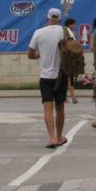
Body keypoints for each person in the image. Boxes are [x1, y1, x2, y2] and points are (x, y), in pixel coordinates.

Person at [27, 8, 71, 149]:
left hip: (45, 77)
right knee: (60, 108)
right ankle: (59, 137)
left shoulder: (38, 33)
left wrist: (40, 55)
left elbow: (30, 54)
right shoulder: (66, 31)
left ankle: (51, 138)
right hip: (61, 76)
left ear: (47, 18)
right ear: (59, 18)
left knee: (47, 107)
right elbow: (74, 49)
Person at [64, 17, 80, 104]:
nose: (74, 26)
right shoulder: (65, 32)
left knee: (68, 79)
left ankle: (70, 97)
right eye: (73, 24)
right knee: (67, 79)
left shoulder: (72, 33)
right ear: (69, 24)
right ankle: (71, 97)